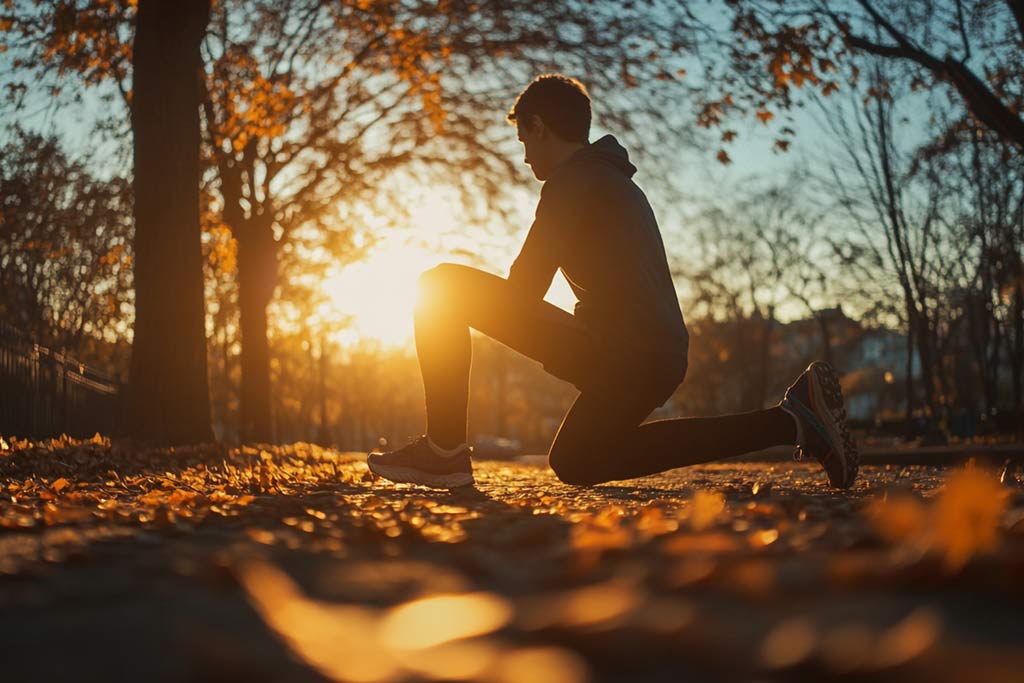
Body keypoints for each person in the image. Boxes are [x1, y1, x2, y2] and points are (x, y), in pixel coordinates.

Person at [367, 74, 858, 490]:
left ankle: (445, 449)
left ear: (538, 127)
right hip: (656, 359)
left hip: (621, 352)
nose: (524, 160)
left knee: (440, 285)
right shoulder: (614, 181)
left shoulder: (572, 182)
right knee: (578, 461)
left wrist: (474, 313)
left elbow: (523, 293)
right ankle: (793, 419)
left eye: (524, 142)